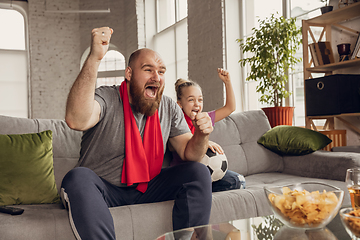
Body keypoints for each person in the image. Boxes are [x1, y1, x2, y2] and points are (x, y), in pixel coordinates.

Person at [61, 26, 213, 240]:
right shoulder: (108, 97)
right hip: (105, 188)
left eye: (161, 72)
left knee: (198, 172)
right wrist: (95, 59)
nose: (156, 77)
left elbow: (190, 154)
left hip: (148, 186)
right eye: (148, 69)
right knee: (78, 177)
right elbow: (76, 119)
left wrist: (201, 135)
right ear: (129, 74)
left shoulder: (168, 107)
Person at [173, 71, 245, 192]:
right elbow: (183, 144)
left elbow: (230, 108)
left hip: (206, 171)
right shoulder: (176, 121)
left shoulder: (204, 118)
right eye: (191, 100)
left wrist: (227, 82)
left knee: (238, 180)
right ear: (179, 104)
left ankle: (201, 189)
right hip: (186, 172)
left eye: (200, 100)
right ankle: (192, 189)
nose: (197, 104)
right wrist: (204, 141)